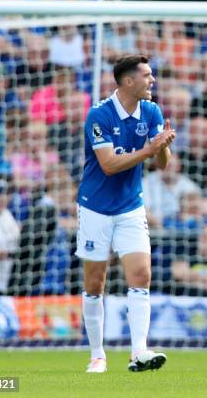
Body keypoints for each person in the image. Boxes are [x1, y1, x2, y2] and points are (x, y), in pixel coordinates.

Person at [76, 55, 176, 373]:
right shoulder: (99, 115)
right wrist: (149, 149)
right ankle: (97, 354)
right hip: (95, 208)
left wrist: (161, 145)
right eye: (147, 75)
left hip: (131, 206)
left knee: (141, 274)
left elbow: (162, 165)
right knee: (95, 282)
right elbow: (108, 165)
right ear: (128, 81)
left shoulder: (152, 111)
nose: (153, 80)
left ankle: (138, 352)